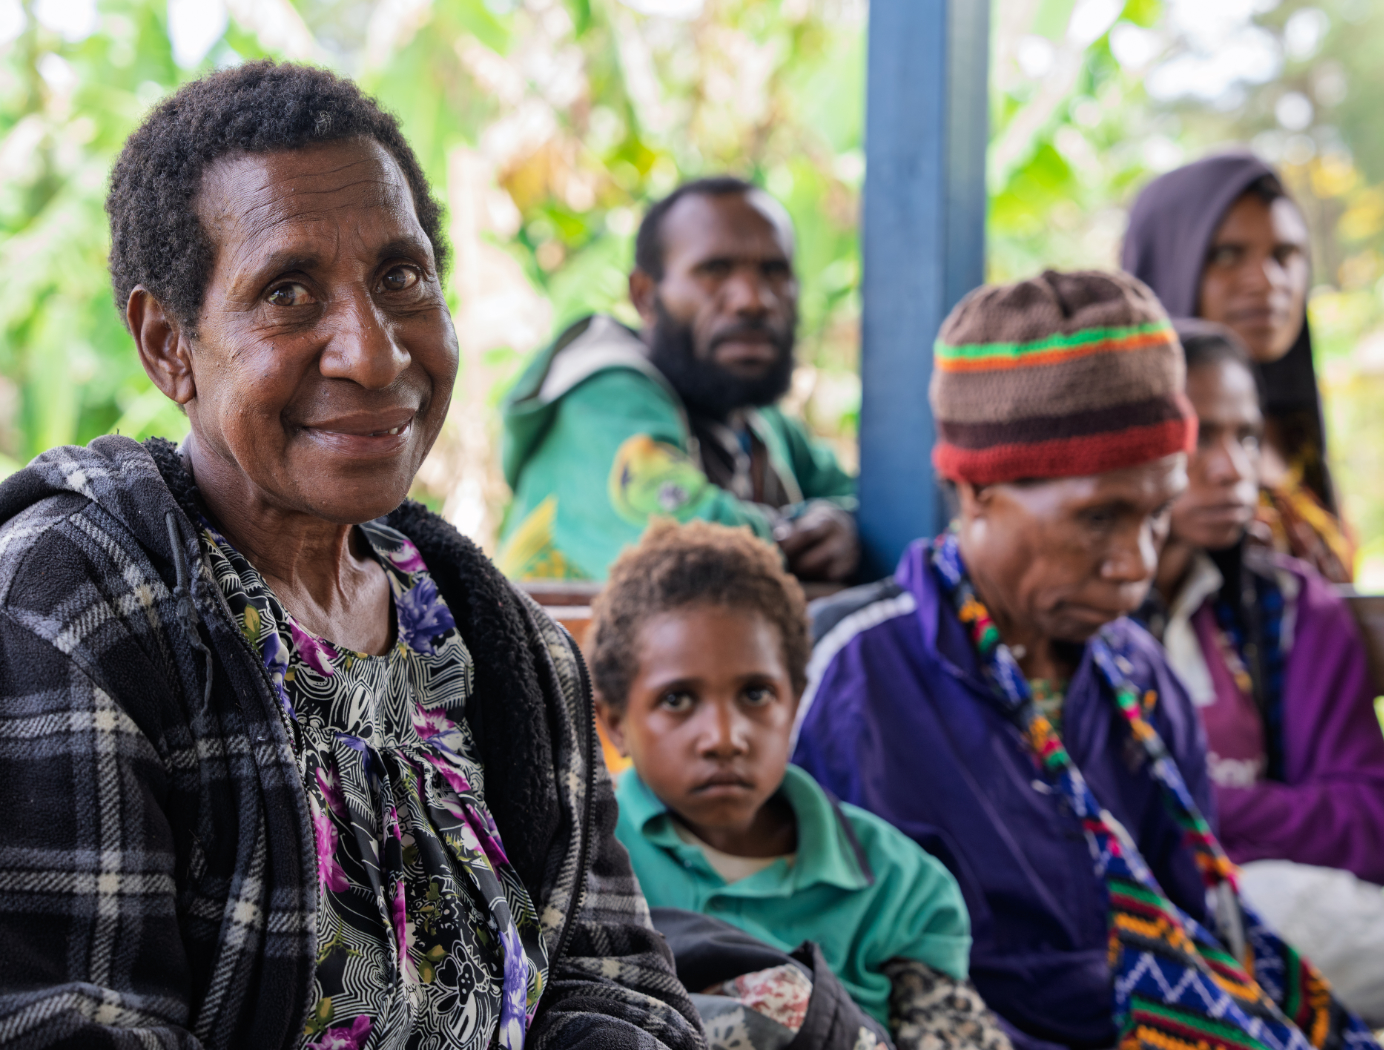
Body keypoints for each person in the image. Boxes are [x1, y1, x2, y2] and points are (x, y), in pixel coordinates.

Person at [0, 62, 704, 1050]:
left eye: (400, 278)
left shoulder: (503, 646)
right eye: (287, 293)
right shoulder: (78, 608)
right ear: (167, 345)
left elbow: (616, 979)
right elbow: (75, 1025)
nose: (372, 355)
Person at [793, 271, 1378, 1050]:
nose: (1136, 564)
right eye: (1099, 518)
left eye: (1158, 514)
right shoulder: (852, 679)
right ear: (976, 490)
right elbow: (825, 977)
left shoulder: (1140, 679)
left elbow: (1190, 936)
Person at [589, 519, 1009, 1050]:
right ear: (616, 721)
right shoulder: (583, 863)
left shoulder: (899, 887)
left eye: (756, 694)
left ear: (795, 701)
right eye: (677, 700)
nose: (724, 738)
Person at [1138, 319, 1384, 1025]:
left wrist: (1198, 810)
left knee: (1281, 909)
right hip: (1136, 938)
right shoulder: (1079, 614)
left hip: (1271, 922)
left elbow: (1375, 821)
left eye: (1248, 437)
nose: (1235, 469)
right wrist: (1272, 814)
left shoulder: (1288, 609)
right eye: (1202, 437)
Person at [497, 177, 858, 583]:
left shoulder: (762, 426)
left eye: (774, 271)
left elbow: (879, 507)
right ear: (644, 295)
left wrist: (845, 522)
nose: (753, 299)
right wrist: (816, 533)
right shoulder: (601, 399)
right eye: (715, 270)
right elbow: (692, 549)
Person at [1122, 151, 1355, 582]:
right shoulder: (1116, 465)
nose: (1267, 282)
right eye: (1228, 255)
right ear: (1171, 260)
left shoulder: (1297, 442)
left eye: (1285, 255)